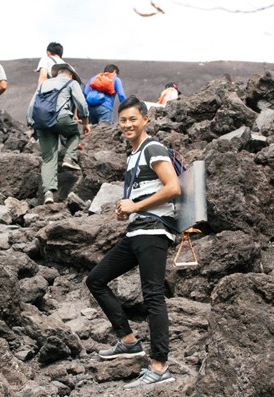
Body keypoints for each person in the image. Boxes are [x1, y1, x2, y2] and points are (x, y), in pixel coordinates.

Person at [85, 96, 181, 389]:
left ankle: (160, 366)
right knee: (96, 279)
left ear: (145, 119)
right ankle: (128, 340)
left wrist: (136, 207)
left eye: (132, 119)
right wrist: (125, 208)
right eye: (123, 120)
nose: (127, 125)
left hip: (153, 231)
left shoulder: (153, 148)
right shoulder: (133, 155)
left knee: (152, 295)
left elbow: (173, 186)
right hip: (136, 232)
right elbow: (143, 193)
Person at [27, 63, 91, 204]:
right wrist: (85, 122)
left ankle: (48, 194)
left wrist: (31, 126)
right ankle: (69, 158)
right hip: (61, 118)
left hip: (42, 123)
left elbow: (32, 105)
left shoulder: (44, 84)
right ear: (71, 74)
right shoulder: (71, 83)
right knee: (74, 134)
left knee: (48, 159)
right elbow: (81, 103)